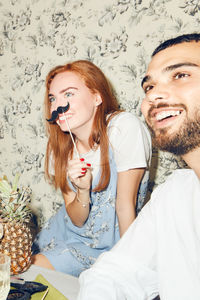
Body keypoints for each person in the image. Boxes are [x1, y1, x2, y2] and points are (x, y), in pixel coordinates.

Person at [77, 33, 200, 299]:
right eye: (149, 87)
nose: (154, 96)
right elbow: (112, 275)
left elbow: (124, 205)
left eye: (181, 75)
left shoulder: (124, 128)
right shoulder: (174, 195)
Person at [31, 60, 151, 276]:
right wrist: (83, 190)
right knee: (20, 274)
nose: (58, 105)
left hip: (112, 246)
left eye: (68, 94)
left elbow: (125, 206)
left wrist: (129, 269)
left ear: (97, 97)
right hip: (60, 236)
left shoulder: (123, 128)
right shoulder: (59, 149)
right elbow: (76, 218)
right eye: (52, 98)